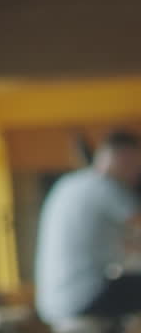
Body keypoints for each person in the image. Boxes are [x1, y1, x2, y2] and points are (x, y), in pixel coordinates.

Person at [36, 129, 141, 325]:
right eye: (136, 164)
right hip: (83, 295)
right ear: (123, 157)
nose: (137, 173)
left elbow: (123, 244)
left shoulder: (71, 184)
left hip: (56, 301)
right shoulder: (104, 186)